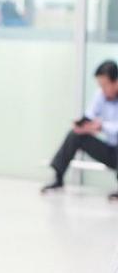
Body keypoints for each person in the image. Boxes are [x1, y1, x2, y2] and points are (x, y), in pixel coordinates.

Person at [42, 60, 118, 199]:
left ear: (116, 82)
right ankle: (58, 178)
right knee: (75, 135)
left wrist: (101, 126)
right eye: (100, 85)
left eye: (105, 85)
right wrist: (82, 124)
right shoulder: (101, 94)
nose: (102, 89)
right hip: (110, 151)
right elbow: (90, 114)